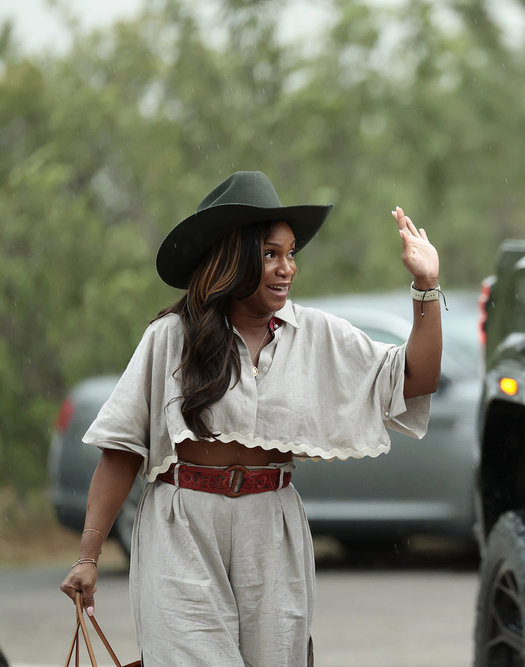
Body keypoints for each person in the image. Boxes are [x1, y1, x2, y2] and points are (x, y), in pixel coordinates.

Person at [59, 171, 443, 666]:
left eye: (290, 254)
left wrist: (425, 285)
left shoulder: (318, 334)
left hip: (271, 526)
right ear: (232, 259)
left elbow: (415, 379)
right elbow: (121, 449)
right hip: (182, 526)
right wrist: (88, 557)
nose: (286, 268)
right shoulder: (171, 337)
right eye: (269, 254)